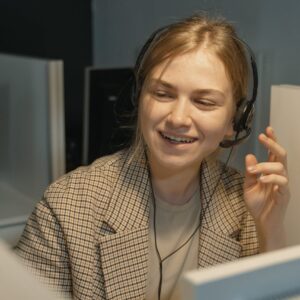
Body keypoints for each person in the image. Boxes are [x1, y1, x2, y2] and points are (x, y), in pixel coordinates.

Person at [15, 14, 290, 300]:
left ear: (235, 120)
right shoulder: (67, 206)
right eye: (162, 93)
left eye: (204, 102)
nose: (178, 118)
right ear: (139, 99)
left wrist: (270, 225)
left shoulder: (244, 207)